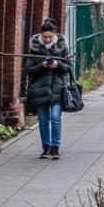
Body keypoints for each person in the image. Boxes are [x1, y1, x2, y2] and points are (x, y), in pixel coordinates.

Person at [25, 19, 71, 161]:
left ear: (54, 34)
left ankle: (55, 148)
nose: (47, 39)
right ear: (41, 35)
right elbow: (29, 69)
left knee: (56, 118)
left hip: (57, 88)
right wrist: (42, 65)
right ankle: (46, 148)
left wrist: (57, 64)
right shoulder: (34, 48)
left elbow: (68, 67)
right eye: (45, 37)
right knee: (43, 120)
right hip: (39, 89)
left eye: (50, 37)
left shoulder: (61, 46)